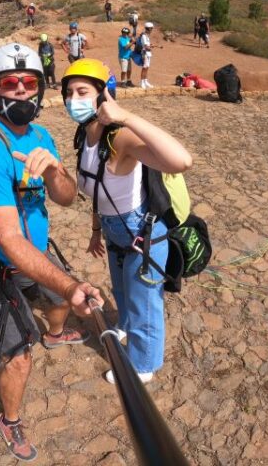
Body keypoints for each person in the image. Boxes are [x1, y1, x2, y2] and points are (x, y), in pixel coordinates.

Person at [0, 43, 102, 461]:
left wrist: (56, 169)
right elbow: (8, 241)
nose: (21, 91)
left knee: (56, 300)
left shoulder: (40, 135)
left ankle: (55, 335)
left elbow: (67, 197)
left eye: (30, 83)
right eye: (10, 83)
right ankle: (10, 419)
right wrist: (71, 283)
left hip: (33, 254)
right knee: (18, 355)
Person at [60, 59, 192, 384]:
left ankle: (142, 366)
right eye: (69, 93)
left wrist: (127, 117)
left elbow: (181, 160)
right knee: (122, 288)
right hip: (112, 229)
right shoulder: (84, 138)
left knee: (145, 301)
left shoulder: (119, 138)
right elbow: (97, 190)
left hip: (141, 233)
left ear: (105, 96)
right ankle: (125, 325)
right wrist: (95, 231)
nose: (73, 99)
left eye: (83, 92)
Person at [136, 22, 154, 89]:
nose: (152, 30)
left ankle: (145, 81)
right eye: (151, 28)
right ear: (148, 29)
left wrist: (150, 46)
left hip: (148, 54)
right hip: (145, 54)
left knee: (147, 68)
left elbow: (147, 45)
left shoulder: (146, 35)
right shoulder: (144, 36)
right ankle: (142, 82)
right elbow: (146, 47)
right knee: (144, 68)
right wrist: (150, 47)